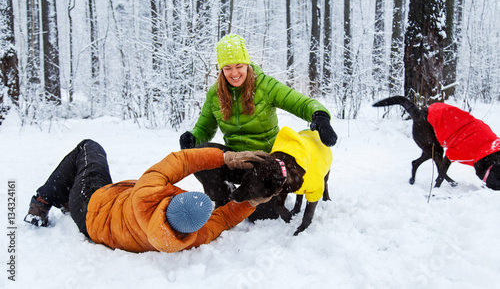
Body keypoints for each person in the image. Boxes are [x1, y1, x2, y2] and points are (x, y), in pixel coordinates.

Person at [179, 33, 337, 216]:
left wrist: (320, 116)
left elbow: (301, 103)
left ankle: (263, 199)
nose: (234, 73)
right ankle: (223, 199)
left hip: (264, 165)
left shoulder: (265, 86)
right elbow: (204, 129)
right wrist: (193, 137)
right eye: (228, 68)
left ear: (247, 64)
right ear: (221, 69)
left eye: (239, 66)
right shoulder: (215, 94)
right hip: (236, 159)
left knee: (260, 216)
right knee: (201, 152)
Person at [24, 139, 272, 253]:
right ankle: (67, 198)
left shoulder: (148, 193)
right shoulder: (192, 237)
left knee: (89, 149)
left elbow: (181, 161)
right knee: (86, 172)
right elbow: (224, 220)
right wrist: (251, 203)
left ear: (174, 199)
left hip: (94, 204)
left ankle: (42, 202)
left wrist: (225, 158)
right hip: (103, 223)